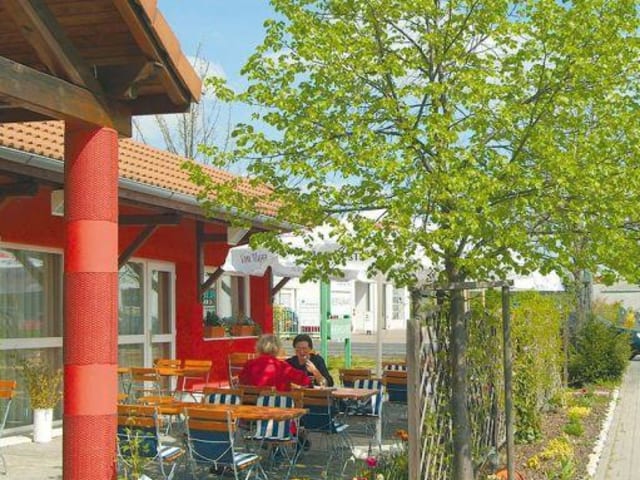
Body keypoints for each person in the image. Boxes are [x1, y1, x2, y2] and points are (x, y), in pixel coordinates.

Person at [238, 334, 311, 391]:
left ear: (259, 347)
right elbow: (305, 380)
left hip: (253, 403)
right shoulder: (282, 366)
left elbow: (242, 382)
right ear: (277, 349)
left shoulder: (249, 364)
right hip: (278, 404)